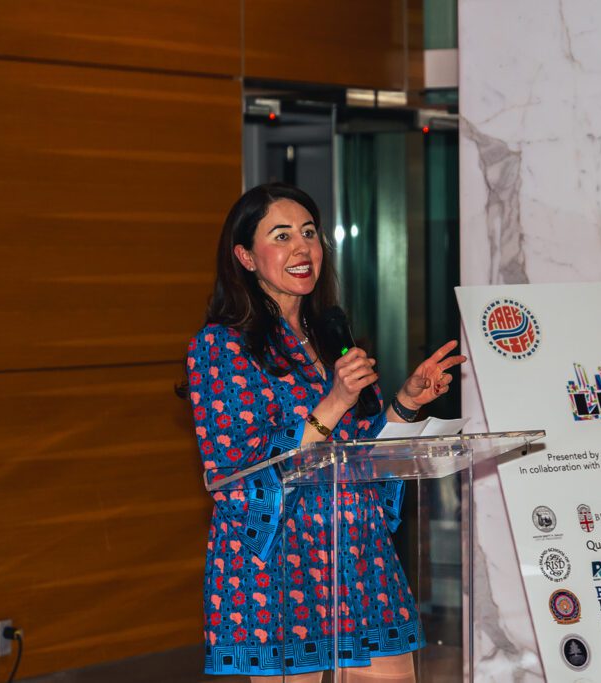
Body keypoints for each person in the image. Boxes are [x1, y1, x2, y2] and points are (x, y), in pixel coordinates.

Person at [185, 182, 465, 682]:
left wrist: (407, 402)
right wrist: (334, 401)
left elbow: (360, 449)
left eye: (309, 233)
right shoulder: (220, 347)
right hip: (280, 568)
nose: (301, 248)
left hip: (359, 556)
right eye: (282, 235)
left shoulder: (330, 334)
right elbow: (241, 472)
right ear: (246, 257)